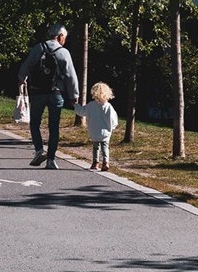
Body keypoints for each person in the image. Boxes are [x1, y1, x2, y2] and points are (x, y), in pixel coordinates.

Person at [16, 24, 80, 169]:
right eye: (65, 37)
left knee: (34, 123)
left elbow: (26, 66)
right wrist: (74, 95)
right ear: (60, 36)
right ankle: (51, 159)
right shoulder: (64, 52)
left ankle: (39, 150)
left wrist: (22, 79)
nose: (65, 40)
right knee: (54, 127)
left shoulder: (38, 48)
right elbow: (71, 76)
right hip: (56, 93)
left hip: (37, 92)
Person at [78, 81, 121, 171]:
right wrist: (113, 127)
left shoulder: (91, 105)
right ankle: (105, 162)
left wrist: (76, 105)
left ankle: (95, 163)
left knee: (96, 147)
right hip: (106, 131)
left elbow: (81, 112)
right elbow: (113, 119)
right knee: (105, 147)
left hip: (94, 131)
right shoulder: (108, 106)